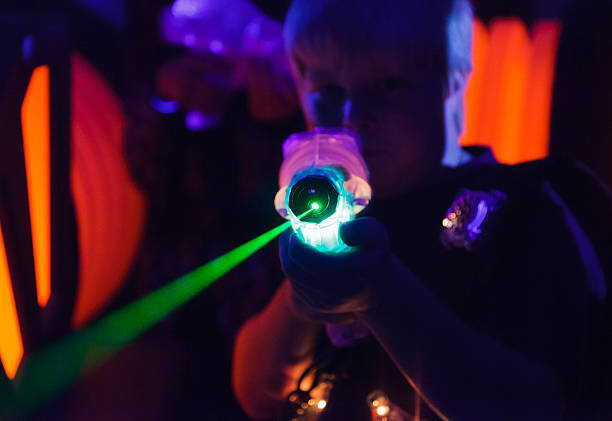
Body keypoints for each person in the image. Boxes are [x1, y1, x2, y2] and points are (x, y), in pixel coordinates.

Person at [232, 0, 612, 420]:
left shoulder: (537, 200)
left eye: (390, 85)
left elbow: (540, 406)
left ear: (453, 79)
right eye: (329, 90)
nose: (355, 117)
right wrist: (300, 300)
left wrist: (381, 295)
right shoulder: (318, 204)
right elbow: (258, 394)